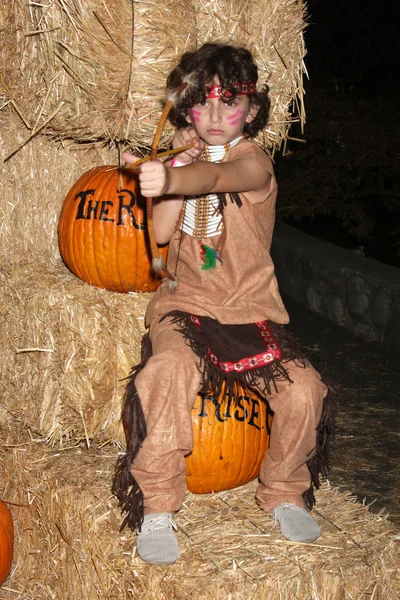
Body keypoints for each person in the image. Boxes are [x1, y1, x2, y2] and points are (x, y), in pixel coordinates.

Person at [113, 43, 337, 566]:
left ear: (252, 110)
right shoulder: (182, 158)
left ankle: (283, 490)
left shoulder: (253, 162)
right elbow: (163, 234)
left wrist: (174, 176)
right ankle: (159, 504)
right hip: (186, 304)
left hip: (250, 309)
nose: (215, 117)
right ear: (188, 107)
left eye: (229, 103)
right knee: (166, 369)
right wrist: (167, 178)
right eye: (203, 105)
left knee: (305, 389)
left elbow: (219, 179)